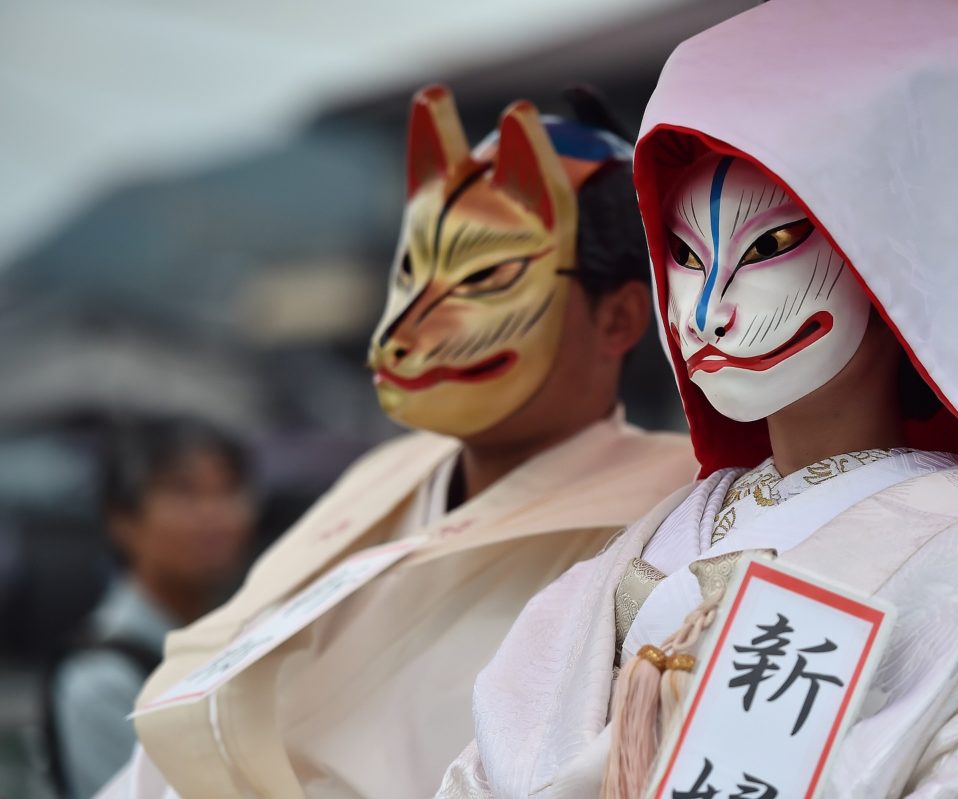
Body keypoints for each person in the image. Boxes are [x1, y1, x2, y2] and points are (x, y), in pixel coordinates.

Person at [439, 2, 958, 796]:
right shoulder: (653, 537)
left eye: (771, 246)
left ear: (891, 258)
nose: (704, 308)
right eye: (683, 255)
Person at [103, 86, 697, 798]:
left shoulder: (672, 515)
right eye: (412, 272)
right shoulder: (387, 471)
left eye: (483, 277)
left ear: (619, 318)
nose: (410, 324)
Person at [47, 417, 253, 799]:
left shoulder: (251, 637)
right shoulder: (102, 679)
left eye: (229, 490)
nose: (214, 513)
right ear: (123, 521)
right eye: (184, 493)